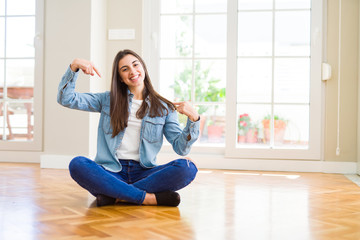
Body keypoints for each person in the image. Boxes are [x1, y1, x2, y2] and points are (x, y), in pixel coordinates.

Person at [57, 49, 200, 207]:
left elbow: (181, 148)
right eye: (125, 69)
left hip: (145, 173)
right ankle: (147, 198)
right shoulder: (107, 100)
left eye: (135, 65)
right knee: (78, 164)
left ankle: (115, 195)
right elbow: (66, 98)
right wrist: (74, 66)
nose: (132, 71)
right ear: (120, 78)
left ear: (143, 68)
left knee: (187, 168)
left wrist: (194, 120)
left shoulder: (164, 107)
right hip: (110, 172)